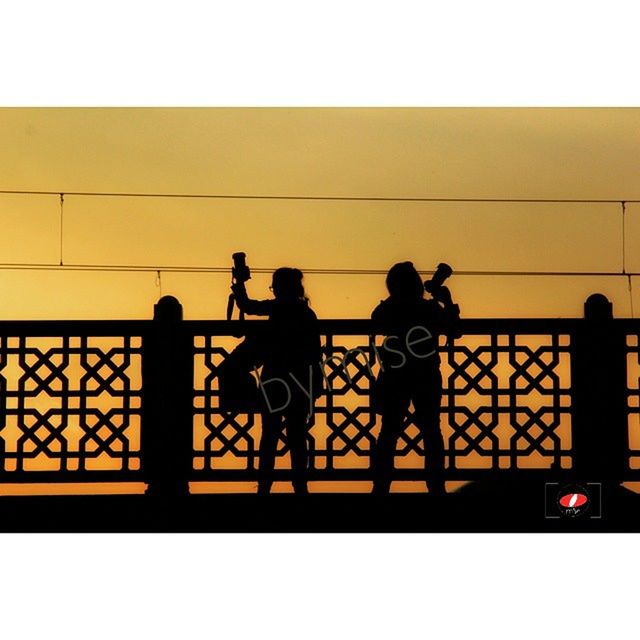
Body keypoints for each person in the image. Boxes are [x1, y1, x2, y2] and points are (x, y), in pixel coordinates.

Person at [370, 261, 461, 495]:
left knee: (388, 430)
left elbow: (376, 319)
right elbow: (454, 330)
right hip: (426, 373)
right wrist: (447, 302)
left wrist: (395, 300)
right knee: (431, 430)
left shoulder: (391, 308)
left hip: (394, 374)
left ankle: (381, 486)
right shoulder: (428, 309)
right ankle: (436, 486)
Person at [231, 267, 322, 495]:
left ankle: (264, 487)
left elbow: (248, 307)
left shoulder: (276, 308)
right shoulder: (307, 315)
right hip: (300, 382)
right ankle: (300, 487)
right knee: (297, 436)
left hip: (274, 380)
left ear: (280, 288)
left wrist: (239, 284)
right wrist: (315, 384)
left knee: (269, 435)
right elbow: (315, 354)